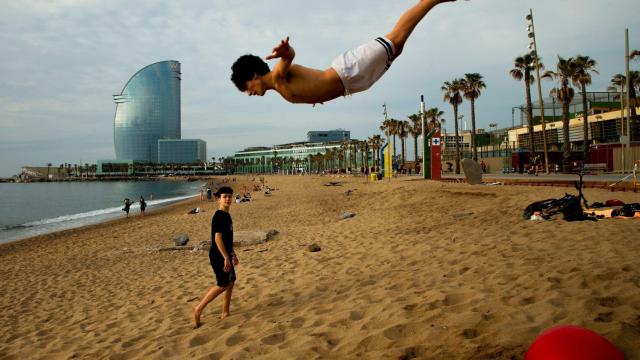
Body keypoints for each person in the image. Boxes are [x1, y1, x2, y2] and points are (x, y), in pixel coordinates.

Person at [231, 0, 459, 104]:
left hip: (348, 71)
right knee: (396, 49)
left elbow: (289, 57)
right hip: (353, 84)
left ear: (253, 76)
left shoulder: (278, 78)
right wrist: (317, 98)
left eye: (246, 88)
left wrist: (285, 50)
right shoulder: (280, 90)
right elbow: (310, 87)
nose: (248, 93)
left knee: (396, 38)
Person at [193, 187, 239, 328]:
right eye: (224, 197)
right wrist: (226, 257)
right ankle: (198, 308)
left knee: (231, 281)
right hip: (218, 254)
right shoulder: (219, 216)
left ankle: (225, 311)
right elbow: (218, 239)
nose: (228, 199)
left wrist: (233, 254)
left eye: (229, 196)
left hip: (226, 253)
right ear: (219, 199)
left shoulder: (227, 215)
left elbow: (227, 239)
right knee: (223, 284)